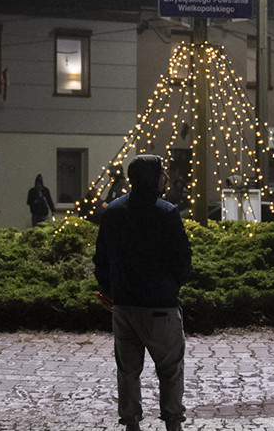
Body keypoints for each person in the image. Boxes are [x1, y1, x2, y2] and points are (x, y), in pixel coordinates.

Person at [93, 155, 192, 431]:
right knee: (170, 370)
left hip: (124, 305)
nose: (166, 178)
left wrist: (107, 288)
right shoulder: (167, 212)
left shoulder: (113, 211)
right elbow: (183, 259)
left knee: (127, 371)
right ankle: (173, 423)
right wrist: (173, 286)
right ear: (154, 177)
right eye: (162, 173)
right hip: (161, 305)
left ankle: (131, 423)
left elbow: (102, 257)